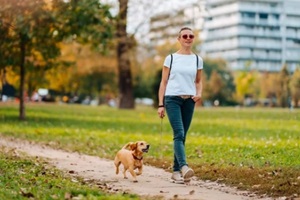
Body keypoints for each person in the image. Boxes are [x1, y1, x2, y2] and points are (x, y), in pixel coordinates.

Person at [157, 27, 203, 184]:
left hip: (189, 100)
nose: (188, 38)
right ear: (179, 39)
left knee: (182, 136)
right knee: (179, 133)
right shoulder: (170, 58)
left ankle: (176, 172)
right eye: (185, 36)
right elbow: (163, 82)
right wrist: (160, 104)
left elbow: (198, 81)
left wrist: (199, 93)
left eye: (191, 36)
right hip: (172, 99)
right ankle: (184, 167)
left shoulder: (197, 59)